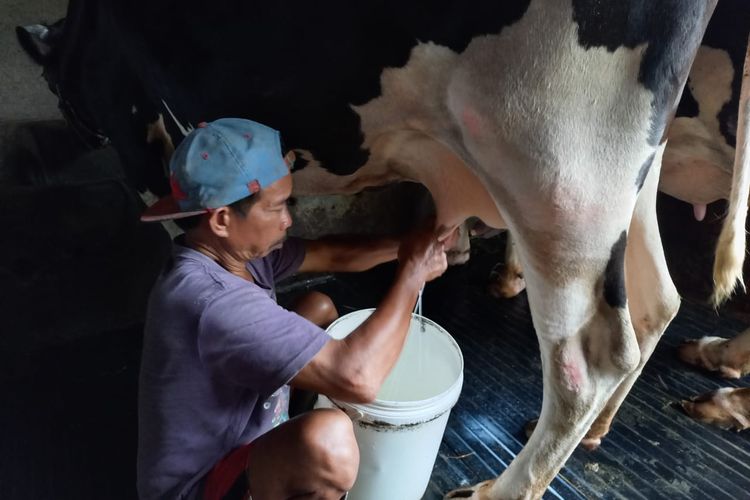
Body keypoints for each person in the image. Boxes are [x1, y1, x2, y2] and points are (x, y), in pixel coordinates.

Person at [137, 118, 454, 500]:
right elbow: (359, 378)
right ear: (222, 219)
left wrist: (410, 245)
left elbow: (334, 253)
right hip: (202, 484)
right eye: (276, 208)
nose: (288, 219)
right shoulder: (212, 300)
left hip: (245, 432)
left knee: (318, 307)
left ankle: (283, 450)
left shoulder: (234, 254)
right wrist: (412, 275)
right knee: (329, 440)